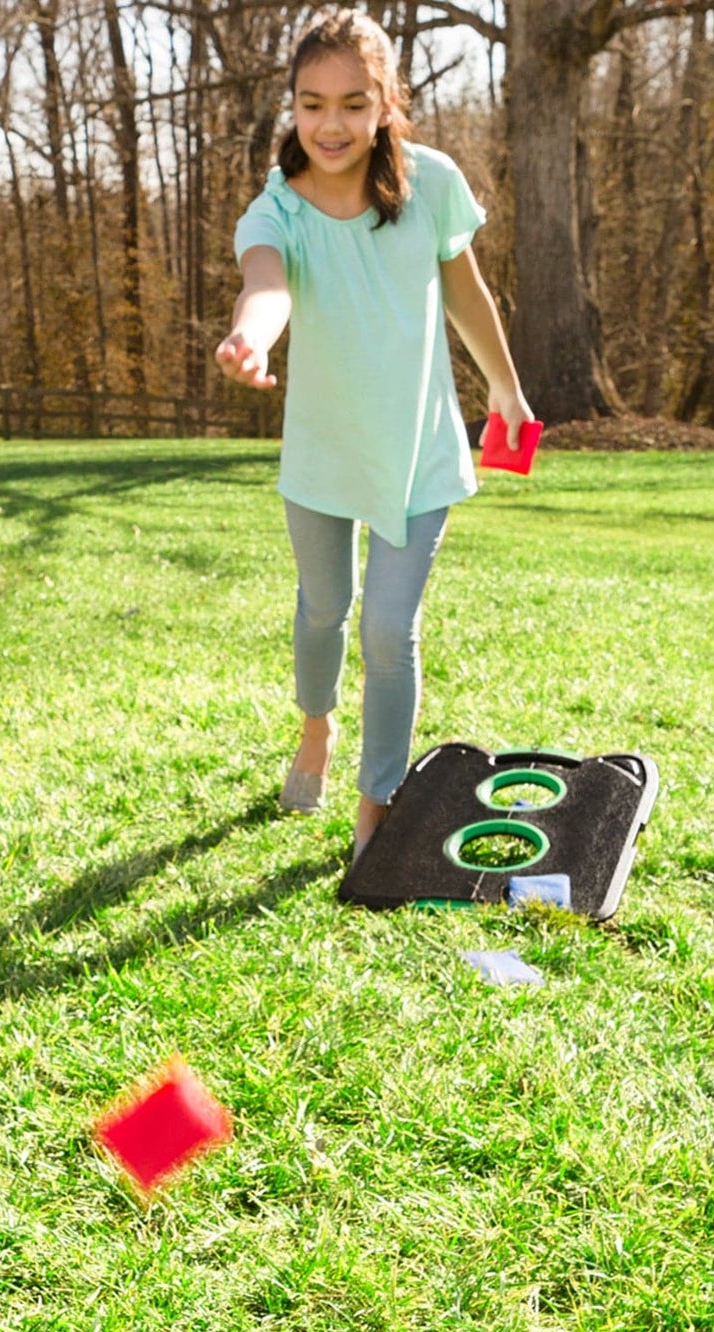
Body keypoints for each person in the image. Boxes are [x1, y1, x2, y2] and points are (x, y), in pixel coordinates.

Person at [216, 8, 535, 856]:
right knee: (326, 608)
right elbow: (267, 285)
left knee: (391, 631)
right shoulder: (277, 208)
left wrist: (505, 389)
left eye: (354, 104)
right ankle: (314, 727)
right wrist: (251, 336)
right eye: (312, 103)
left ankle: (377, 806)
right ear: (292, 106)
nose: (331, 124)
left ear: (388, 103)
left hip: (420, 450)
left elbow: (466, 293)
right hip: (324, 450)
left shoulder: (430, 184)